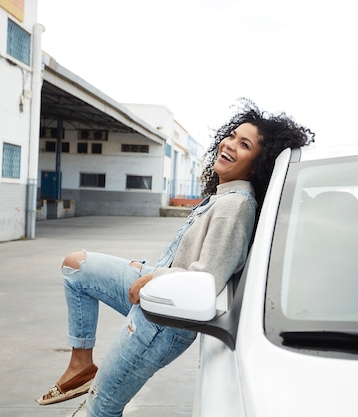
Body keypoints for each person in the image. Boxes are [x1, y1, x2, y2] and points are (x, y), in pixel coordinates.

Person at [37, 99, 314, 416]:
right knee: (76, 266)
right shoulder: (222, 196)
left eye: (245, 144)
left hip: (166, 320)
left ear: (257, 164)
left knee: (101, 408)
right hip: (160, 288)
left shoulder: (236, 207)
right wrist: (147, 270)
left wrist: (154, 278)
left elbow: (205, 280)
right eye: (232, 135)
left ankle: (90, 379)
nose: (230, 144)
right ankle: (81, 365)